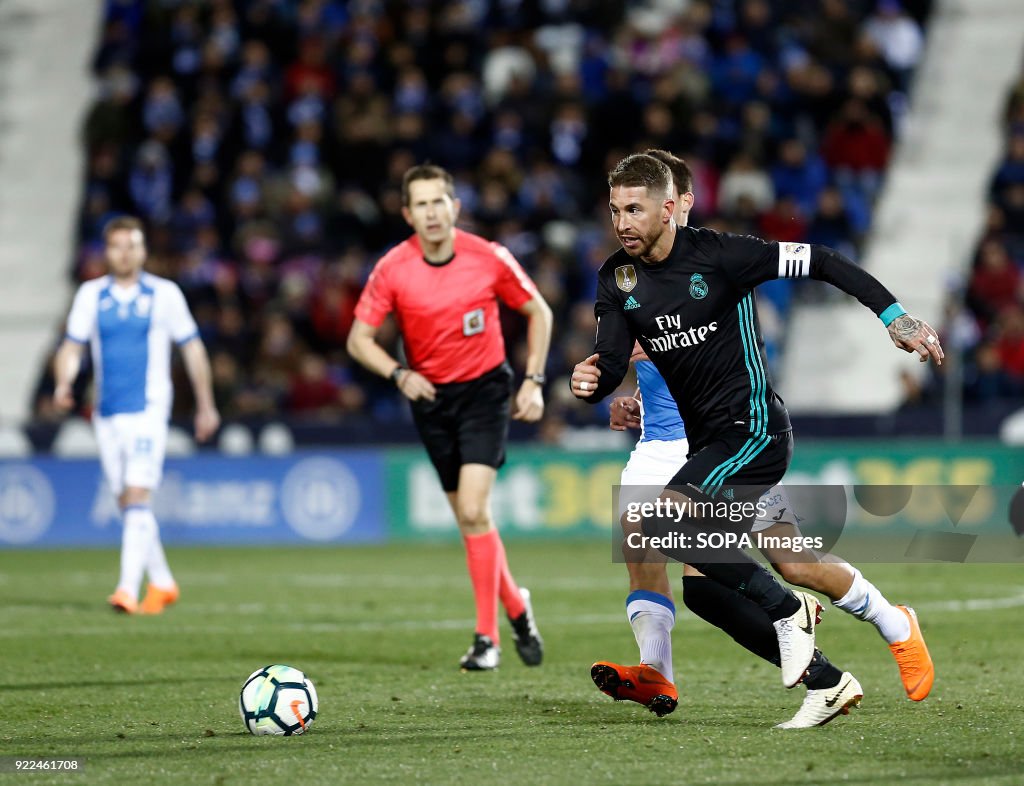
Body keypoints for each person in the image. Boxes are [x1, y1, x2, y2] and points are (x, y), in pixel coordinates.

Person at [572, 152, 943, 709]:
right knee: (774, 566)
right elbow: (612, 357)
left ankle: (801, 617)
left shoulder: (723, 257)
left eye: (634, 209)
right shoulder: (618, 278)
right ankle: (873, 635)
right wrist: (591, 381)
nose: (622, 222)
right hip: (710, 448)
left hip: (753, 431)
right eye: (615, 210)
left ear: (671, 208)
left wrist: (894, 317)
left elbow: (823, 259)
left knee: (664, 524)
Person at [348, 163, 552, 671]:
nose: (432, 212)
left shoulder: (489, 257)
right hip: (431, 400)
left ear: (454, 207)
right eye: (421, 204)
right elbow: (358, 340)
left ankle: (488, 639)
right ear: (407, 214)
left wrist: (534, 380)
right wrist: (398, 374)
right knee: (471, 519)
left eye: (439, 201)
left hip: (485, 392)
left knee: (474, 510)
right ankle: (517, 607)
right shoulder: (393, 268)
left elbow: (540, 313)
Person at [53, 216, 220, 614]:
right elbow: (71, 348)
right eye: (116, 246)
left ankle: (127, 590)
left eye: (132, 245)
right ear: (106, 251)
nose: (124, 253)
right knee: (128, 503)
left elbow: (193, 349)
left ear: (144, 251)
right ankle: (162, 582)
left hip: (148, 410)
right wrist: (63, 383)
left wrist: (206, 403)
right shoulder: (91, 295)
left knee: (138, 495)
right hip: (106, 413)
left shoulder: (165, 294)